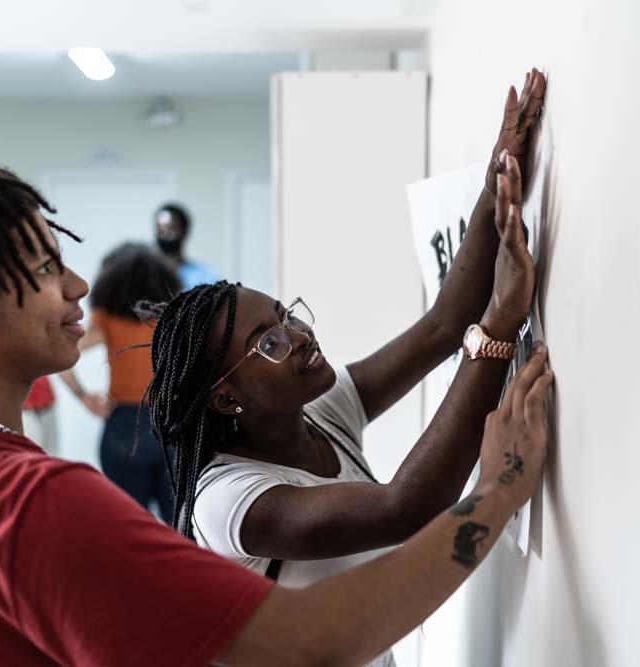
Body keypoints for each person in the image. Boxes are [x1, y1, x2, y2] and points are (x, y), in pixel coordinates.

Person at [0, 146, 551, 667]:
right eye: (47, 268)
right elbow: (312, 639)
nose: (79, 284)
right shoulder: (32, 503)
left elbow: (433, 330)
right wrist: (499, 489)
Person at [144, 69, 546, 667]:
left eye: (288, 316)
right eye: (270, 343)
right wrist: (496, 327)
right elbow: (404, 508)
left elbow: (440, 326)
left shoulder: (317, 410)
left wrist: (497, 183)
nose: (301, 336)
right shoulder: (228, 500)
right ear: (228, 399)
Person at [59, 242, 180, 521]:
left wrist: (83, 396)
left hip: (124, 428)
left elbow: (65, 356)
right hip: (170, 425)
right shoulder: (173, 319)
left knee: (131, 526)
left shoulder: (107, 319)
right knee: (180, 527)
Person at [154, 202, 218, 290]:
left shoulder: (205, 275)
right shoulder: (147, 275)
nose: (165, 235)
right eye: (160, 230)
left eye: (171, 229)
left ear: (185, 232)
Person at [21, 376, 59, 455]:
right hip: (23, 409)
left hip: (47, 403)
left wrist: (82, 395)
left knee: (53, 455)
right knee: (30, 455)